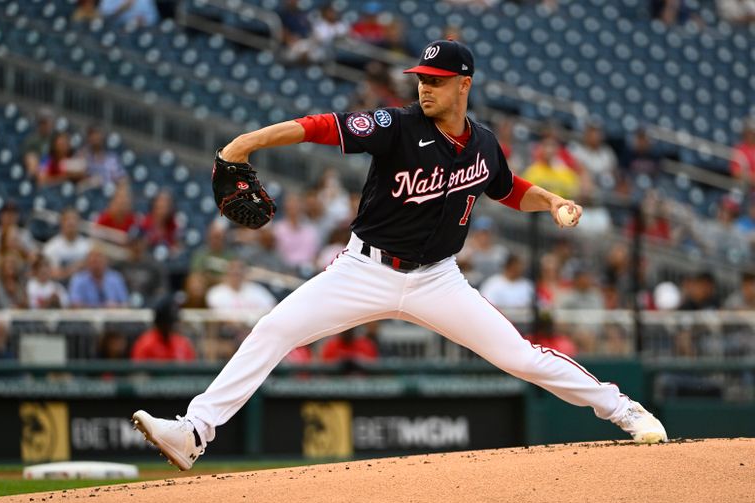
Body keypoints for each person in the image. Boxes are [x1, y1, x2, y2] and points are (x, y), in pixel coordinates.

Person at [132, 40, 667, 471]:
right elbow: (323, 126)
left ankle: (625, 410)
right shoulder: (398, 125)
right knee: (273, 330)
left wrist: (550, 200)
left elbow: (504, 186)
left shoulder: (483, 143)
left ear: (464, 84)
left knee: (521, 357)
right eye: (420, 79)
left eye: (434, 80)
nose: (424, 87)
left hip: (439, 280)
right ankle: (193, 431)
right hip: (364, 269)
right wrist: (246, 142)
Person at [131, 296, 196, 362]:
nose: (172, 326)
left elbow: (191, 367)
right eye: (168, 322)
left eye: (173, 322)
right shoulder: (145, 344)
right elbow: (139, 370)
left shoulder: (182, 343)